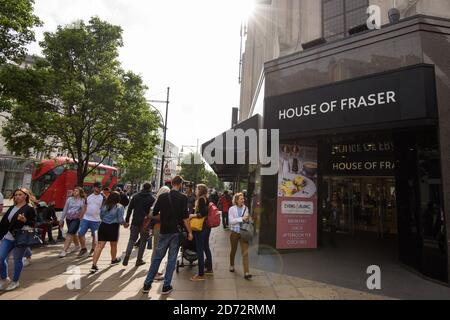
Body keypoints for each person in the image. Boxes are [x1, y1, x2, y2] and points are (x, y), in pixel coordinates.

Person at [142, 176, 193, 295]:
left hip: (164, 231)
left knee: (157, 258)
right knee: (171, 259)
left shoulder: (162, 196)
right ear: (180, 184)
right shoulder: (183, 198)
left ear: (171, 184)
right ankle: (166, 286)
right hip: (176, 232)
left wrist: (165, 214)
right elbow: (185, 218)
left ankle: (147, 284)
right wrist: (190, 232)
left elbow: (154, 212)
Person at [0, 188, 36, 291]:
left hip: (21, 238)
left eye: (20, 194)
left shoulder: (29, 208)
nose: (17, 197)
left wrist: (25, 220)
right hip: (8, 237)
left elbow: (33, 223)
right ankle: (4, 278)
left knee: (17, 260)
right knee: (1, 258)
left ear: (25, 196)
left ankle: (15, 281)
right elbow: (4, 223)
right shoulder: (12, 208)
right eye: (15, 195)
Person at [90, 192, 125, 273]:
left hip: (103, 226)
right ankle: (113, 260)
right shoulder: (119, 207)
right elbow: (120, 220)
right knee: (113, 245)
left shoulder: (104, 206)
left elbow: (101, 216)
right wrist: (125, 224)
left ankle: (94, 265)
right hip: (113, 227)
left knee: (99, 246)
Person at [123, 183, 155, 267]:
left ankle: (127, 256)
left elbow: (129, 209)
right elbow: (152, 213)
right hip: (145, 223)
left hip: (135, 221)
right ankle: (139, 260)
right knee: (143, 241)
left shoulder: (135, 196)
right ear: (150, 188)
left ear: (142, 187)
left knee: (132, 239)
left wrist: (127, 220)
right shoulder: (152, 199)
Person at [189, 184, 213, 281]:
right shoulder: (206, 199)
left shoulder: (202, 200)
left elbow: (202, 213)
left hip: (201, 227)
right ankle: (209, 268)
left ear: (200, 190)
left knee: (199, 249)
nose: (195, 190)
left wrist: (193, 215)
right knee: (206, 247)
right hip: (206, 226)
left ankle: (200, 274)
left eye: (197, 189)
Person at [147, 185, 171, 280]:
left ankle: (154, 271)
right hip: (159, 228)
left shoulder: (157, 201)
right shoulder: (159, 202)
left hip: (159, 228)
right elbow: (151, 214)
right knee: (157, 251)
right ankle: (153, 272)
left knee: (157, 251)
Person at [228, 192, 252, 280]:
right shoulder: (231, 209)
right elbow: (231, 221)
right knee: (233, 250)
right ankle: (231, 265)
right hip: (234, 232)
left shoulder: (246, 208)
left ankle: (246, 272)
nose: (243, 200)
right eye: (241, 199)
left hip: (244, 232)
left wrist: (242, 219)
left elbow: (246, 219)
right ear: (236, 200)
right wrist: (241, 219)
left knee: (245, 252)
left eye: (243, 198)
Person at [58, 187, 87, 258]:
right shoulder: (69, 199)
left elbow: (84, 210)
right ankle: (77, 246)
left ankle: (64, 250)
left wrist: (81, 219)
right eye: (74, 191)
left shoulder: (82, 200)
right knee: (73, 233)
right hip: (68, 219)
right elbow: (65, 209)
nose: (74, 192)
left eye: (76, 191)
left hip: (76, 219)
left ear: (80, 192)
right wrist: (61, 219)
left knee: (70, 233)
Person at [77, 182, 104, 257]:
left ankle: (93, 249)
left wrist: (102, 219)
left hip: (97, 220)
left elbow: (104, 209)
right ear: (94, 187)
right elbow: (84, 206)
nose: (99, 189)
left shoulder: (103, 197)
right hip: (86, 218)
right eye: (98, 187)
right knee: (80, 233)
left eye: (100, 187)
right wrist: (81, 217)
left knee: (94, 236)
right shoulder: (88, 196)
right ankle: (83, 248)